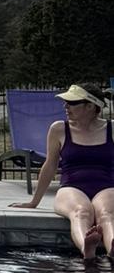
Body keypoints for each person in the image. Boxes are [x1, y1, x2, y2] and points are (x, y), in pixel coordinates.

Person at [11, 84, 114, 259]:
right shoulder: (59, 129)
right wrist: (34, 201)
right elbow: (50, 166)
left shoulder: (111, 129)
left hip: (106, 185)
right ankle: (86, 248)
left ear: (90, 106)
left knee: (107, 214)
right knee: (81, 212)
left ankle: (112, 247)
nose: (65, 107)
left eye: (71, 103)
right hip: (72, 186)